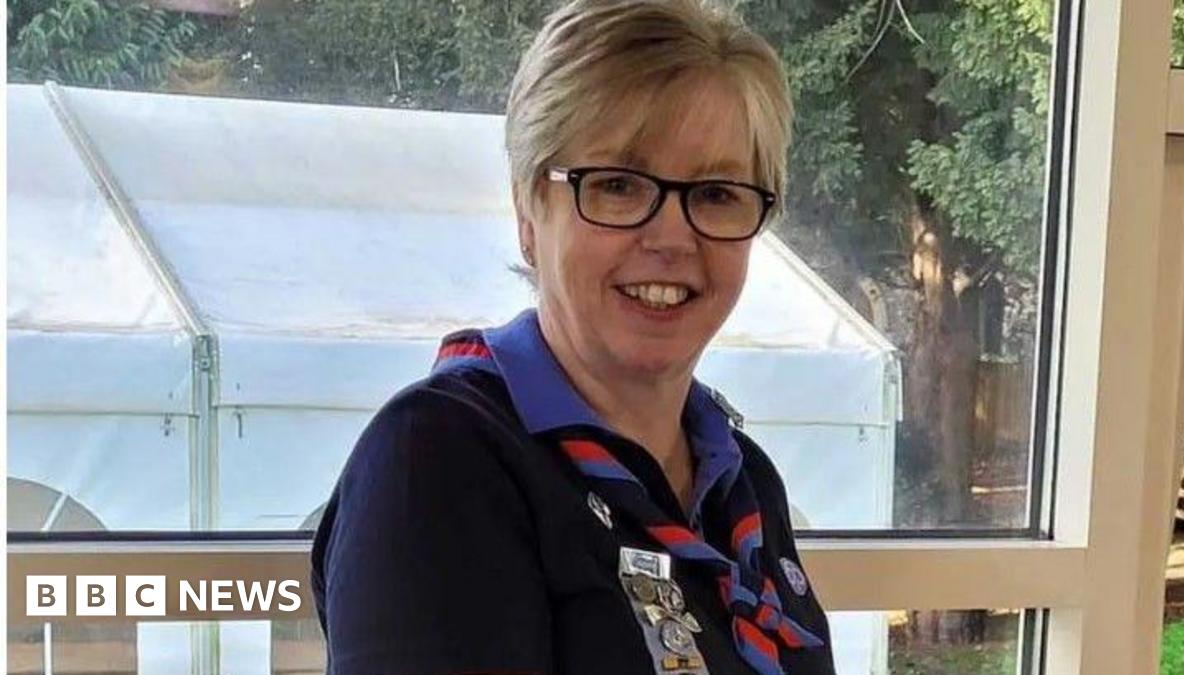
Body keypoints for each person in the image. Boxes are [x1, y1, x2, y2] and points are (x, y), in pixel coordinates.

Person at [310, 1, 837, 673]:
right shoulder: (439, 459)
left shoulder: (743, 481)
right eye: (618, 184)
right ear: (530, 213)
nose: (674, 237)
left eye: (716, 192)